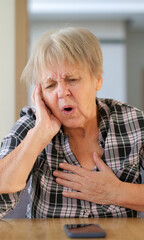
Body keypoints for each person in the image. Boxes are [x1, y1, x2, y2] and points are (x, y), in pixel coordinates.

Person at [0, 27, 144, 219]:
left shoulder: (133, 122)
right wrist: (39, 135)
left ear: (97, 80)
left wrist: (116, 191)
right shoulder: (32, 125)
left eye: (72, 79)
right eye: (50, 85)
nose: (62, 92)